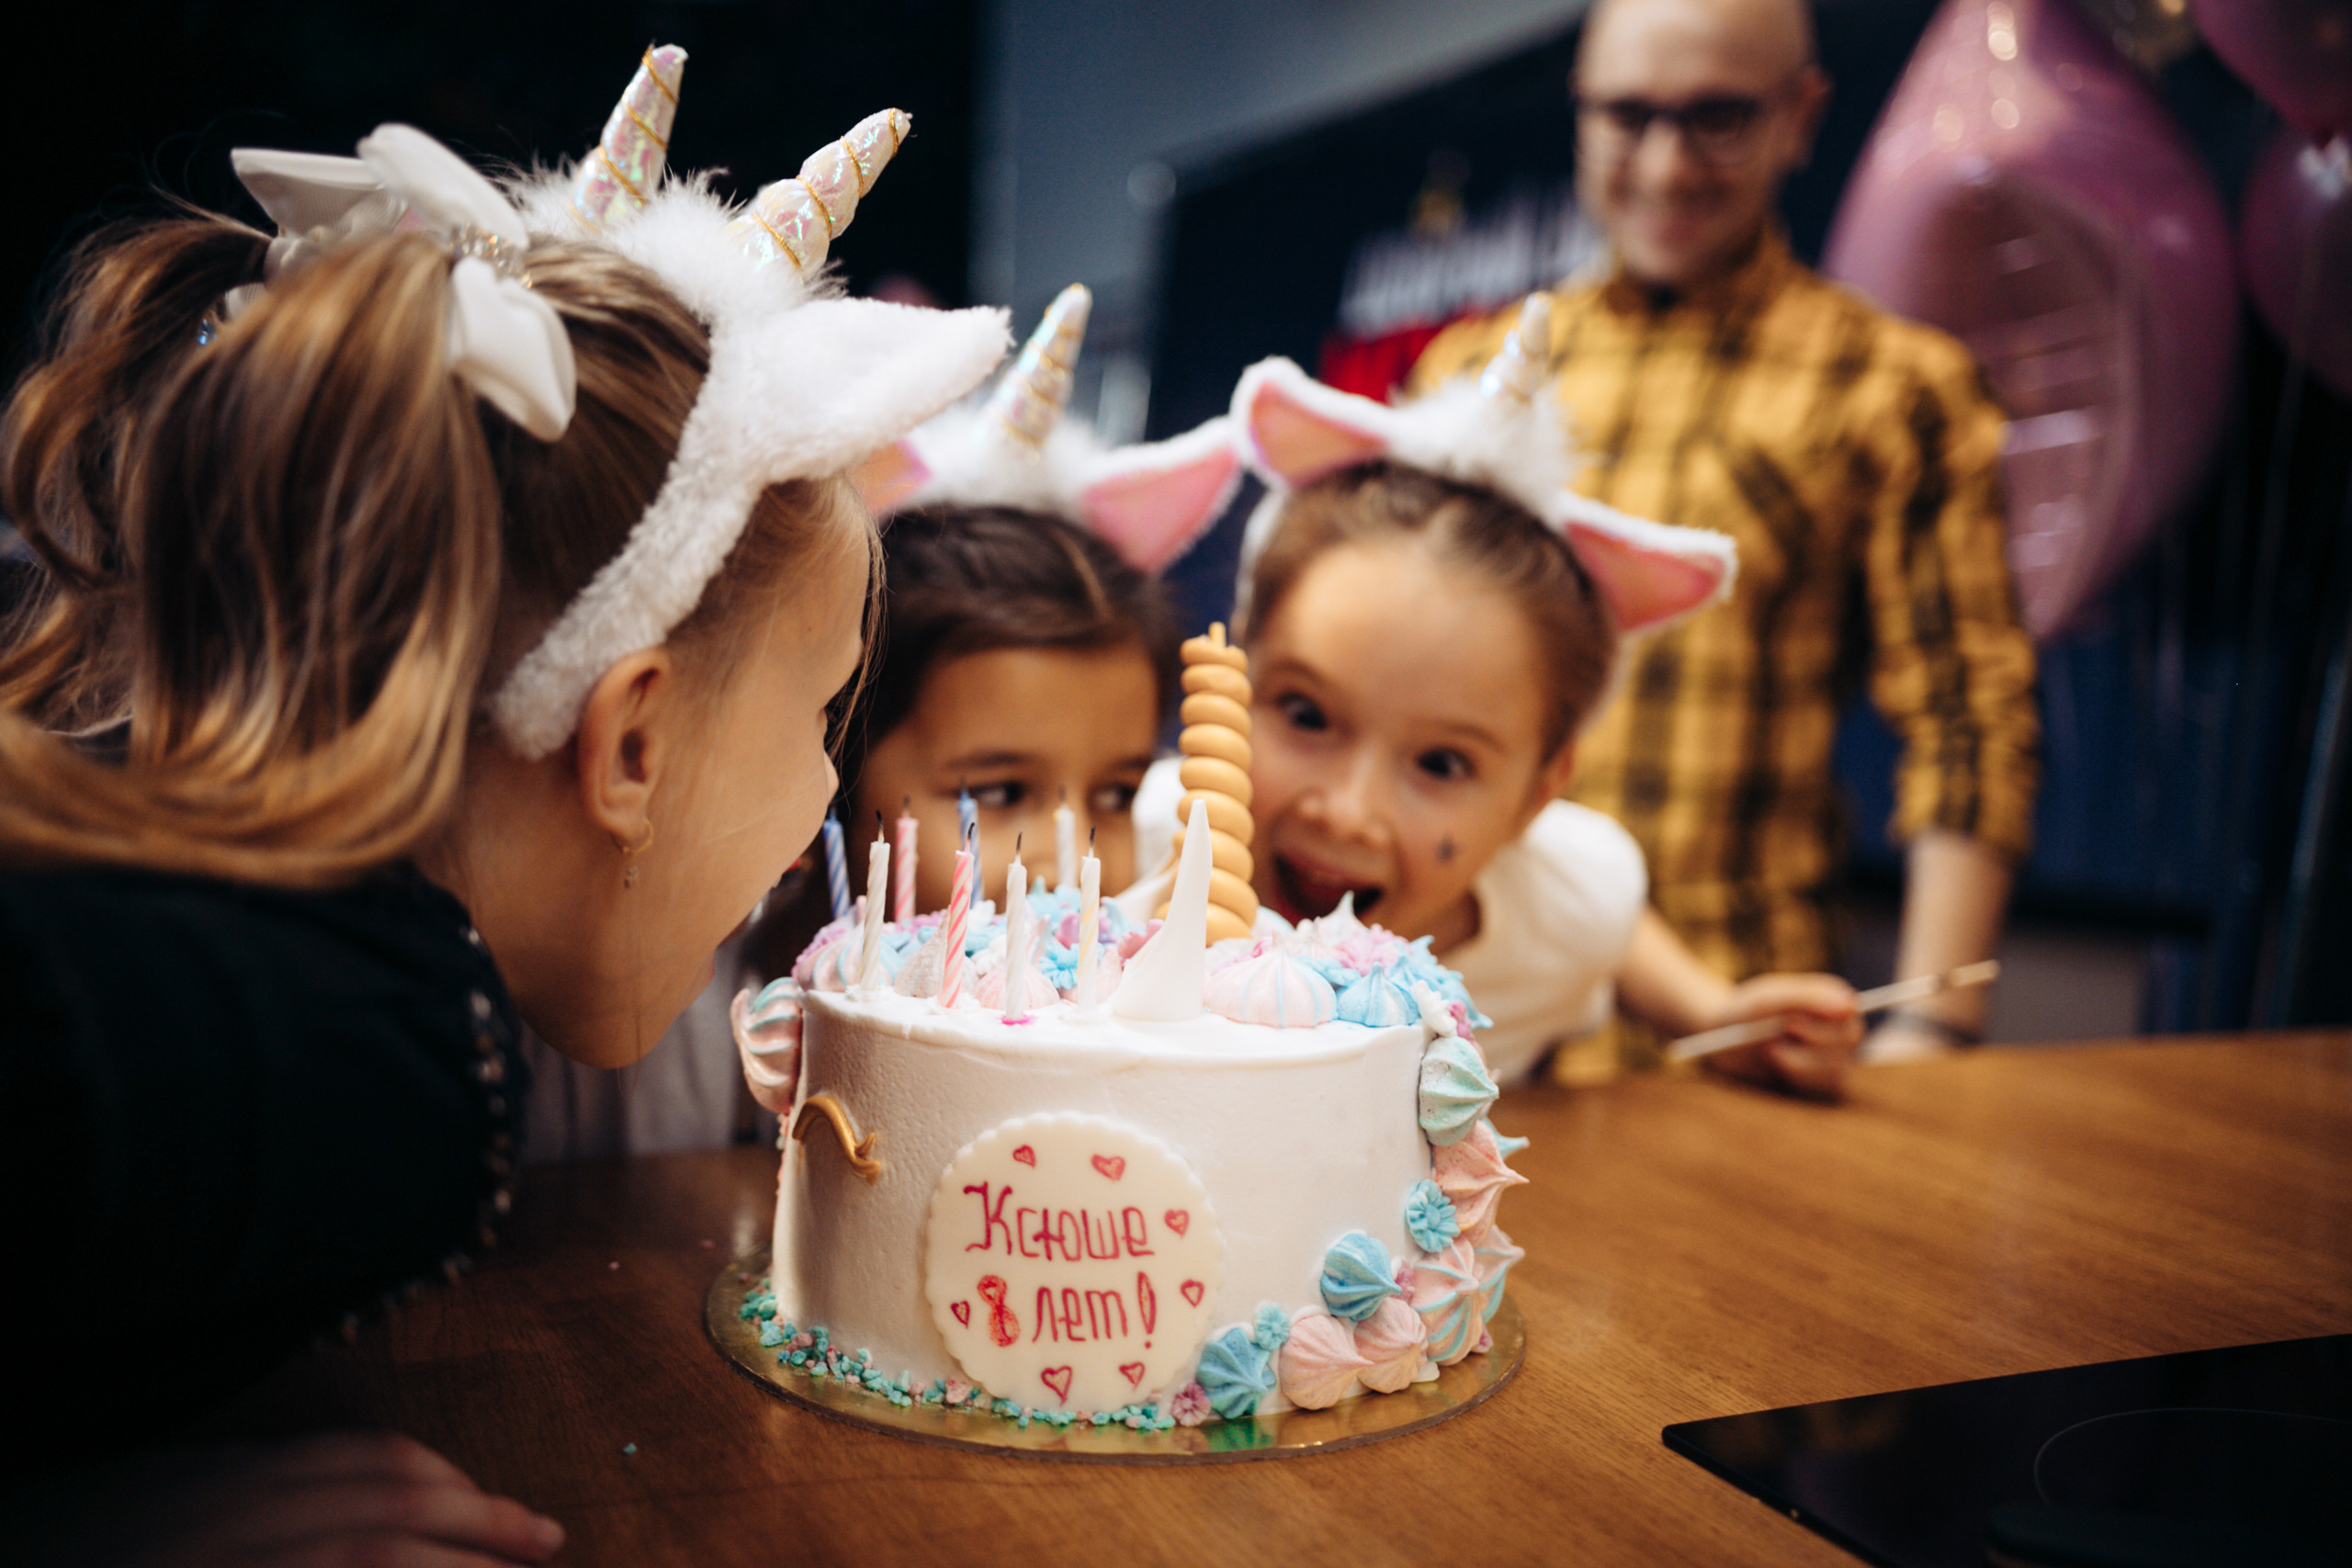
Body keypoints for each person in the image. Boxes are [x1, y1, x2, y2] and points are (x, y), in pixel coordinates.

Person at [0, 104, 1005, 1563]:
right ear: (633, 741)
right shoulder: (346, 1051)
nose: (819, 809)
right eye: (821, 714)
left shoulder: (309, 966)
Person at [1409, 0, 2040, 1073]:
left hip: (1735, 1021)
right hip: (1471, 1012)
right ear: (1580, 114)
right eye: (1628, 116)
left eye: (1717, 118)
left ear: (1800, 116)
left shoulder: (1893, 385)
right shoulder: (1467, 381)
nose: (1664, 164)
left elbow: (1963, 713)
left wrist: (1935, 1024)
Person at [1135, 310, 1861, 1098]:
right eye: (1307, 715)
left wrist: (1716, 1015)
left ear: (1536, 796)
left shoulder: (1568, 895)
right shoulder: (1145, 850)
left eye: (1442, 762)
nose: (1347, 811)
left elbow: (1590, 911)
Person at [727, 283, 1238, 1107]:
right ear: (834, 771)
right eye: (999, 792)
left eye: (1114, 792)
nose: (1066, 855)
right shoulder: (696, 1042)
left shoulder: (1149, 1031)